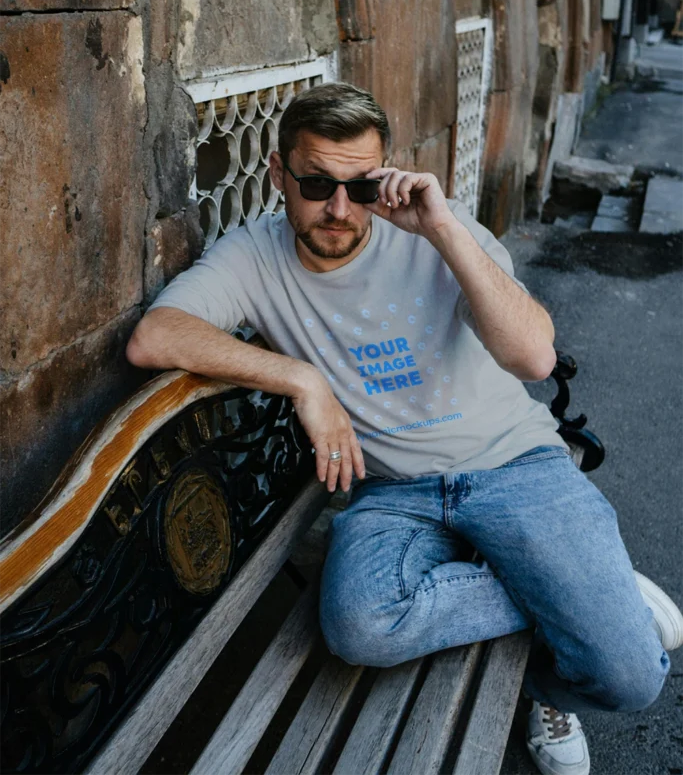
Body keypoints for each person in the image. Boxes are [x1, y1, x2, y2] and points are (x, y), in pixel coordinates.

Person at [127, 83, 682, 775]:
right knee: (359, 625)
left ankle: (548, 681)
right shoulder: (254, 257)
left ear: (384, 173)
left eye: (358, 188)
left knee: (632, 676)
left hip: (515, 464)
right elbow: (155, 337)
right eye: (314, 183)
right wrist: (304, 379)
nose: (336, 209)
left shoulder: (435, 232)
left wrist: (445, 232)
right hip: (392, 492)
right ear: (277, 175)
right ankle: (576, 591)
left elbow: (533, 356)